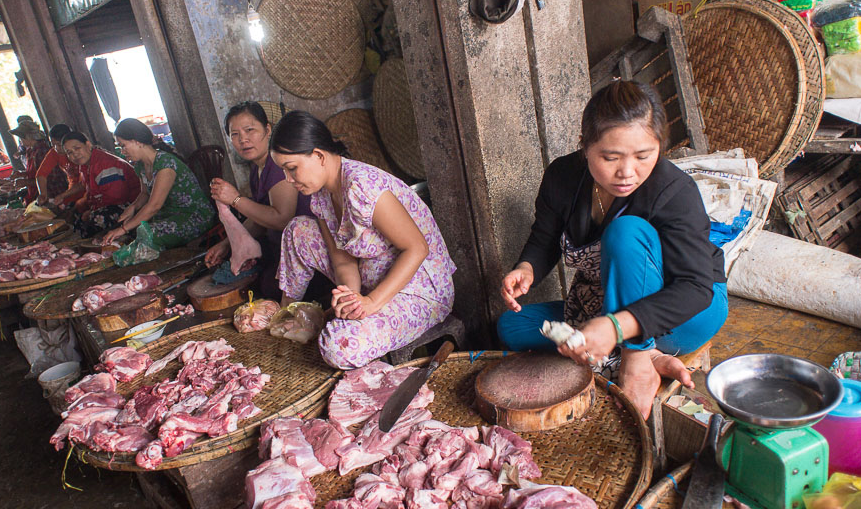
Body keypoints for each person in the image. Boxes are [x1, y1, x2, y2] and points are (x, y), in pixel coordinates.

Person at [497, 80, 728, 418]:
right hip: (609, 301)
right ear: (584, 147)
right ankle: (645, 354)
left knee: (625, 232)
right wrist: (528, 268)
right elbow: (544, 238)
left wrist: (616, 327)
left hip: (686, 312)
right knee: (511, 326)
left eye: (643, 156)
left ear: (659, 148)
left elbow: (694, 289)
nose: (627, 172)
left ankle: (636, 357)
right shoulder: (562, 177)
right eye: (610, 157)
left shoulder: (675, 192)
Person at [270, 111, 456, 369]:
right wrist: (352, 301)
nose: (289, 180)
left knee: (339, 345)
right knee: (298, 230)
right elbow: (343, 263)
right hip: (371, 281)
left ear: (319, 156)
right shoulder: (321, 196)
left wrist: (370, 303)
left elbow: (417, 248)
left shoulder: (362, 186)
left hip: (418, 289)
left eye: (292, 169)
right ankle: (290, 314)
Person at [206, 102, 313, 300]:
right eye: (235, 134)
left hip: (305, 251)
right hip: (280, 246)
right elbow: (259, 217)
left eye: (250, 130)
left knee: (265, 287)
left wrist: (236, 199)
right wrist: (226, 244)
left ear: (267, 129)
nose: (243, 140)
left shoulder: (277, 164)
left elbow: (282, 219)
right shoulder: (257, 169)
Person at [99, 118, 217, 250]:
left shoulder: (165, 164)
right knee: (137, 229)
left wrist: (123, 229)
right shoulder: (141, 166)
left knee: (148, 234)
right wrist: (132, 207)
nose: (122, 151)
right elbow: (144, 193)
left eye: (123, 145)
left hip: (193, 215)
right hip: (170, 214)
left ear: (137, 141)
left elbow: (154, 205)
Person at [61, 132, 143, 239]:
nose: (74, 154)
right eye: (69, 152)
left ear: (88, 145)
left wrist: (91, 211)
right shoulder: (85, 166)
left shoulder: (104, 163)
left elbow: (116, 197)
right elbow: (92, 194)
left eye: (77, 148)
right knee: (77, 215)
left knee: (95, 219)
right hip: (111, 204)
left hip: (132, 205)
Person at [36, 124, 84, 209]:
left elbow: (84, 183)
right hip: (71, 192)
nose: (55, 148)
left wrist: (63, 195)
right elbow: (41, 174)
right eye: (52, 144)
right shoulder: (54, 153)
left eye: (58, 144)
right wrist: (43, 194)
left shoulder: (80, 152)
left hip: (88, 191)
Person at [10, 119, 51, 204]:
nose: (20, 141)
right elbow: (35, 172)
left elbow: (47, 180)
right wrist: (22, 174)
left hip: (47, 196)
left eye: (21, 138)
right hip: (34, 193)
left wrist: (25, 182)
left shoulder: (42, 151)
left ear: (29, 137)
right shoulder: (30, 150)